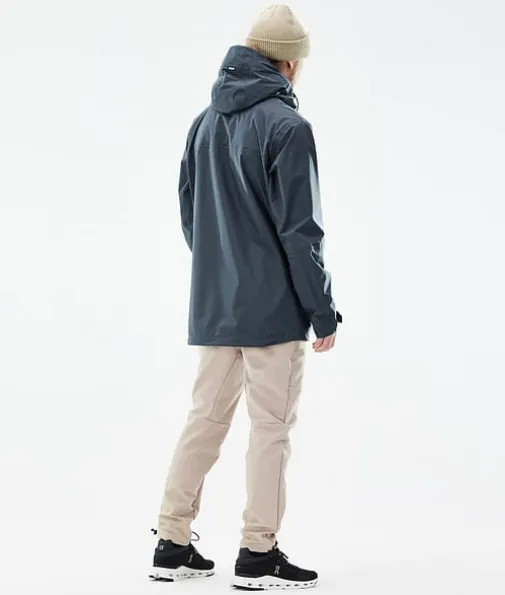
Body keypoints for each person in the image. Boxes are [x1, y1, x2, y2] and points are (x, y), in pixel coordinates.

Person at [149, 4, 342, 590]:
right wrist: (321, 309)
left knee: (204, 419)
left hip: (215, 307)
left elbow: (191, 215)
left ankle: (171, 541)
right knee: (270, 428)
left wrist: (222, 274)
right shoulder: (289, 128)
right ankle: (259, 553)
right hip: (274, 313)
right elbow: (301, 232)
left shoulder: (203, 122)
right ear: (291, 64)